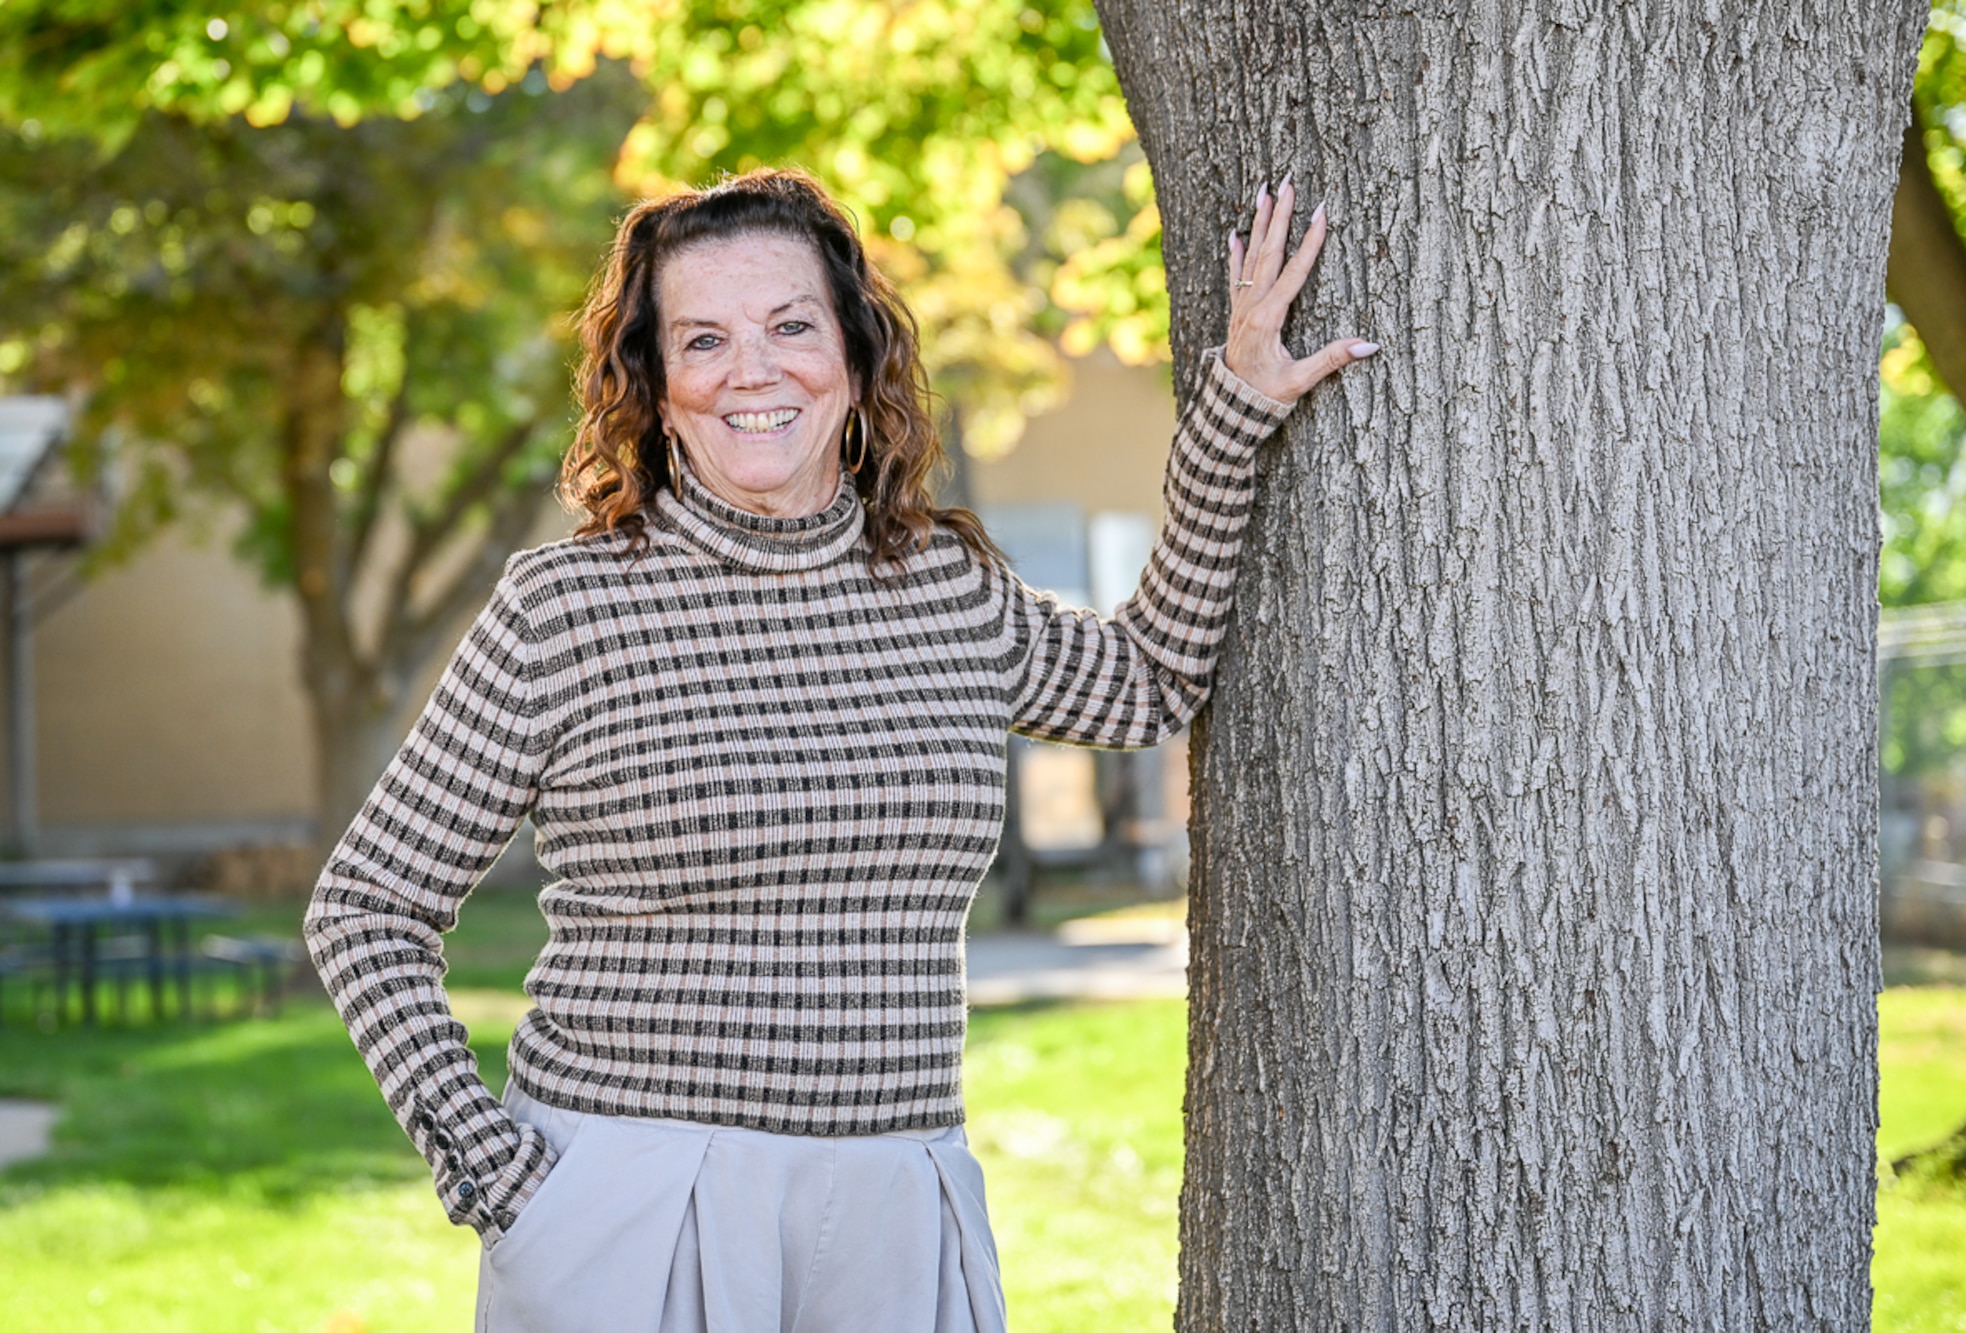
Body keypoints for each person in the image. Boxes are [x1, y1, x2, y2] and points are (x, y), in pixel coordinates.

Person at [304, 166, 1374, 1332]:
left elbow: (1149, 679)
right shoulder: (563, 611)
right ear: (653, 387)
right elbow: (367, 907)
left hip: (896, 1203)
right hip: (634, 1202)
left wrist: (1234, 408)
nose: (750, 370)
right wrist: (502, 1179)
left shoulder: (946, 589)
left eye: (790, 326)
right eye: (702, 340)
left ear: (855, 358)